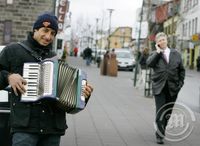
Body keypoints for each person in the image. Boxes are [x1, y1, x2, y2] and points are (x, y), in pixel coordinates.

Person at [0, 12, 93, 146]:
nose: (48, 36)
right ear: (35, 29)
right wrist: (9, 77)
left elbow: (70, 104)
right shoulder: (13, 51)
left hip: (52, 130)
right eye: (45, 30)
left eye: (52, 33)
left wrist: (83, 95)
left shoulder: (56, 59)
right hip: (25, 128)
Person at [146, 32, 185, 144]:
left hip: (173, 88)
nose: (162, 41)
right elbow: (149, 64)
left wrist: (180, 84)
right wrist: (158, 52)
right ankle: (160, 134)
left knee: (168, 113)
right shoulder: (155, 54)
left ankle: (162, 128)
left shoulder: (176, 54)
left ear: (167, 40)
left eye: (163, 39)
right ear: (157, 43)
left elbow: (181, 70)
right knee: (160, 111)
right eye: (160, 40)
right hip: (159, 87)